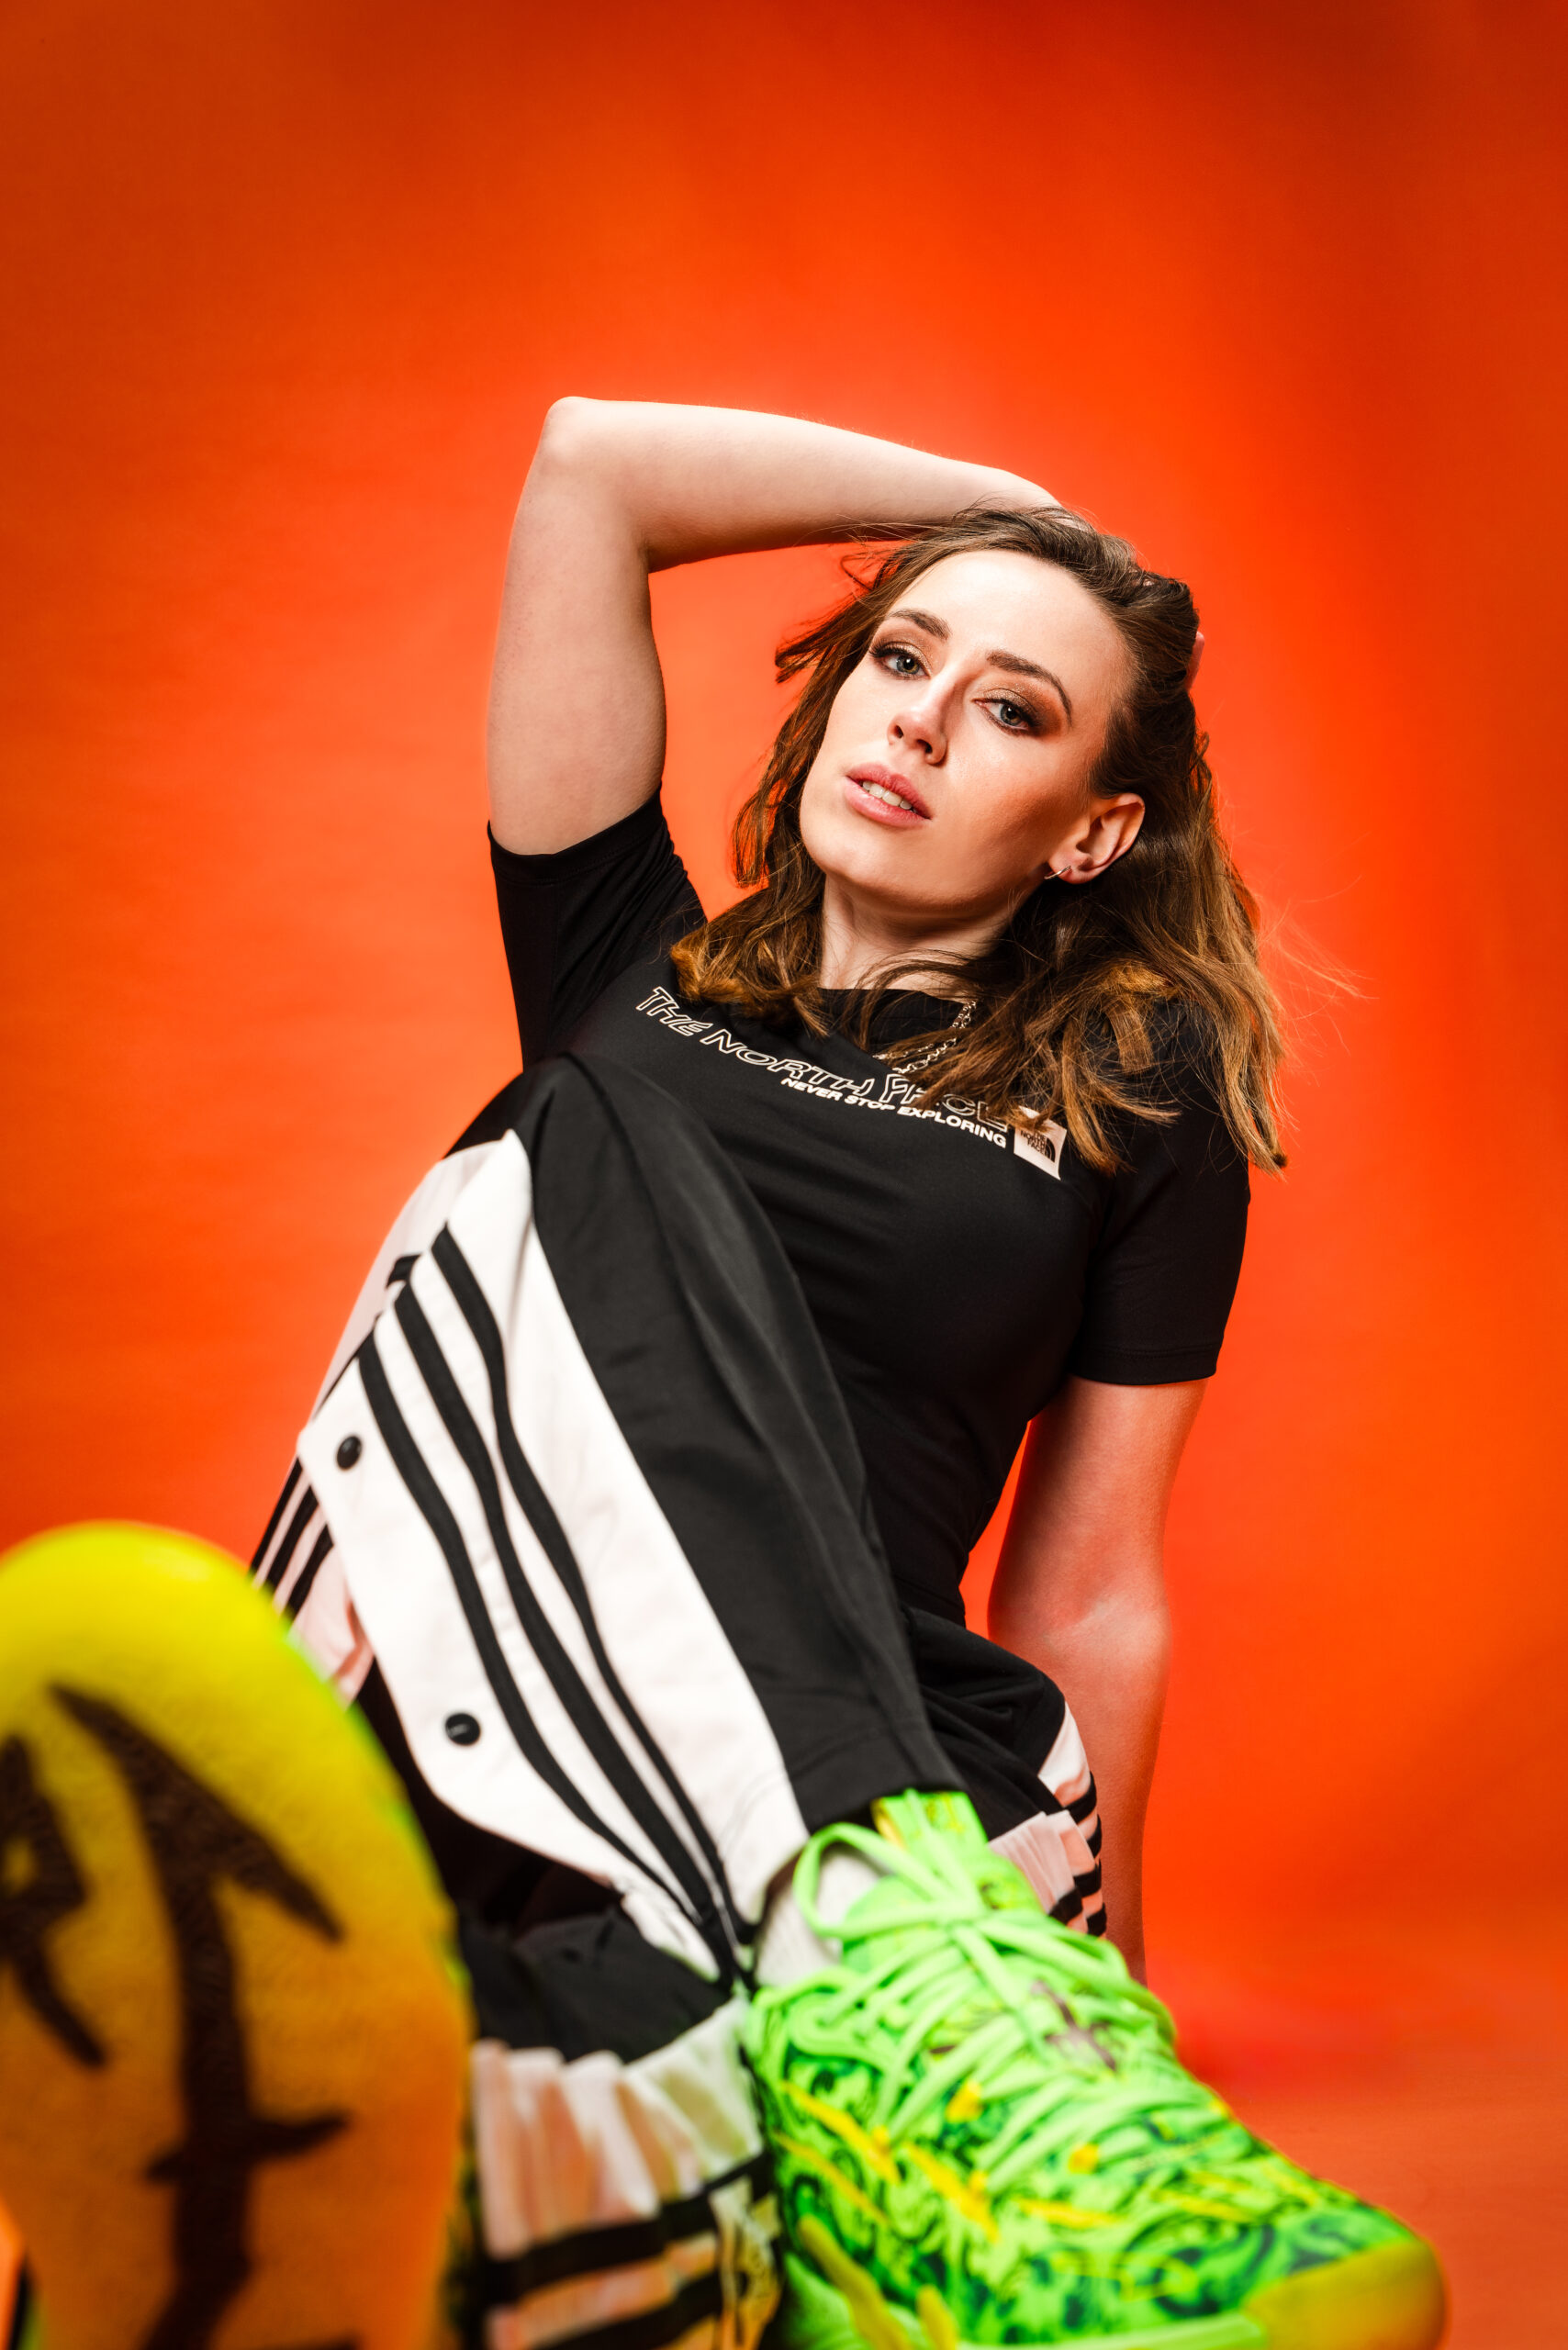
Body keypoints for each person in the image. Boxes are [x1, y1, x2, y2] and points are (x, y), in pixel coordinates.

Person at [0, 405, 1446, 2350]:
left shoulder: (1137, 1091)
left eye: (1012, 710)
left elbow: (1093, 1580)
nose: (918, 720)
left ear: (1095, 830)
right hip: (493, 1684)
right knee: (582, 1133)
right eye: (900, 656)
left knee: (535, 2118)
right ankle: (812, 2017)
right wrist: (1008, 514)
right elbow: (591, 468)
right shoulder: (632, 972)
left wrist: (1105, 2025)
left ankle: (692, 2115)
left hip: (877, 1743)